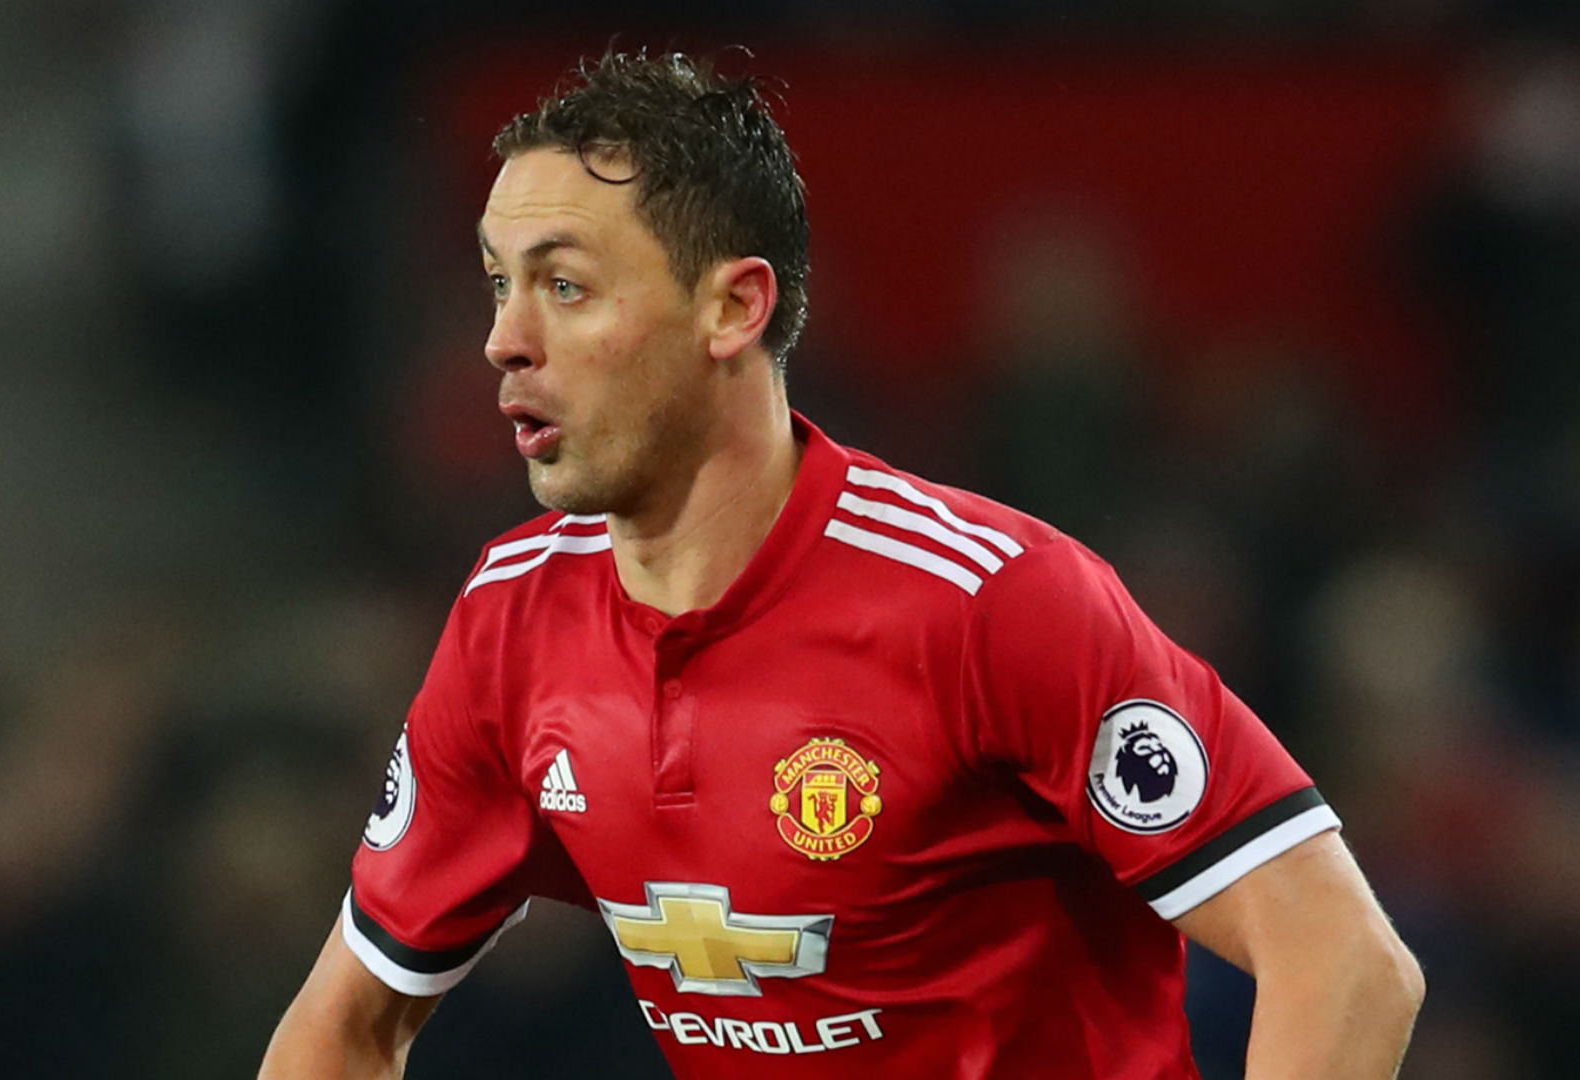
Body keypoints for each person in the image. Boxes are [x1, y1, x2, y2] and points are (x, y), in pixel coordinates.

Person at [259, 50, 1424, 1079]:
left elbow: (1344, 961)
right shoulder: (511, 621)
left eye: (564, 285)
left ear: (734, 309)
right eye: (497, 283)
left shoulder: (987, 603)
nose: (504, 339)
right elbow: (341, 1032)